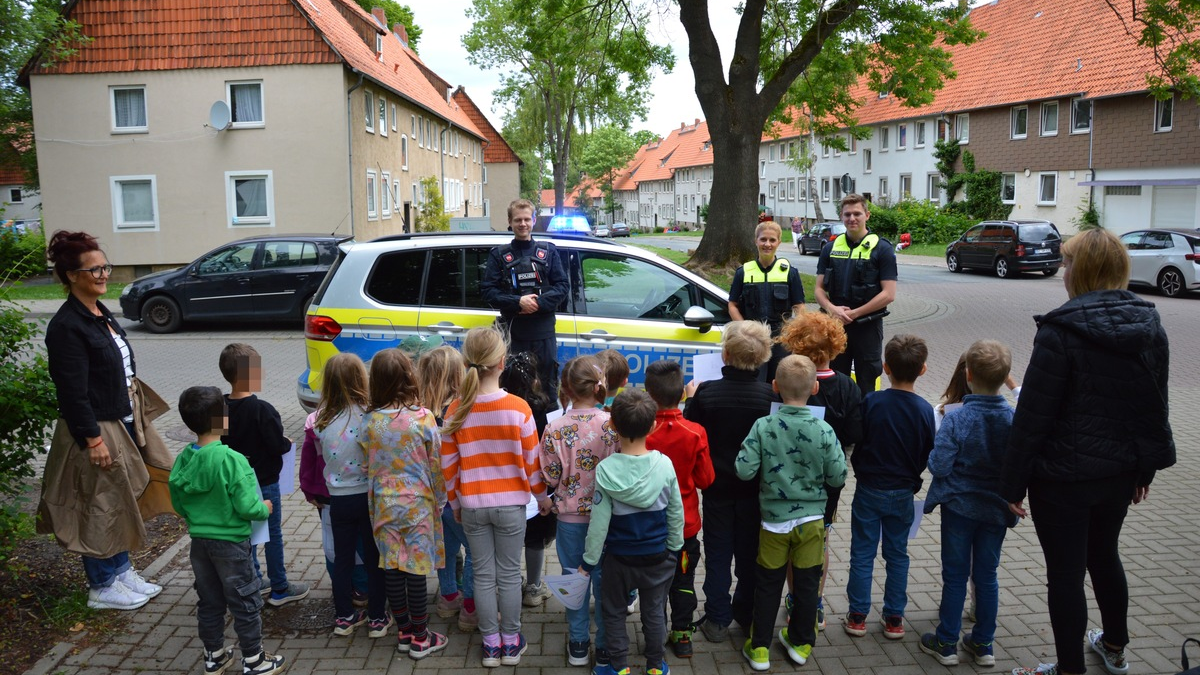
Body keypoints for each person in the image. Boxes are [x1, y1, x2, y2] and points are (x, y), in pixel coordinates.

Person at [1001, 229, 1175, 675]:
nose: (1062, 271)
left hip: (1063, 479)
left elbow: (1033, 418)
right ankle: (1115, 646)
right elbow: (1154, 406)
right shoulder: (1150, 325)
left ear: (1082, 271)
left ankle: (1070, 668)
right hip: (1118, 473)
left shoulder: (1059, 331)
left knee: (1065, 572)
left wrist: (1012, 485)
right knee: (1104, 555)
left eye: (1066, 263)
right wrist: (1144, 470)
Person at [40, 230, 171, 611]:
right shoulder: (67, 326)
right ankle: (101, 585)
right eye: (93, 269)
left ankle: (121, 570)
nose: (102, 274)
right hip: (96, 428)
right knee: (99, 504)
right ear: (71, 276)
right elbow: (72, 391)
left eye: (104, 267)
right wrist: (92, 439)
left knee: (122, 500)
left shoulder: (100, 311)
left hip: (122, 419)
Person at [440, 327, 552, 668]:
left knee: (484, 576)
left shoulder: (455, 410)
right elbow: (533, 464)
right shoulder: (519, 409)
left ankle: (490, 644)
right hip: (511, 507)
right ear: (501, 362)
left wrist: (456, 505)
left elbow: (449, 467)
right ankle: (511, 640)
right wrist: (542, 497)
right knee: (507, 574)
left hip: (473, 504)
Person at [736, 355, 847, 671]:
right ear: (814, 387)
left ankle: (759, 648)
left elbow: (744, 471)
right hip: (812, 521)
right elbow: (838, 476)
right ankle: (800, 643)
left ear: (774, 387)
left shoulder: (763, 426)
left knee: (768, 583)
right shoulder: (824, 430)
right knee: (807, 582)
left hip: (773, 522)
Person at [168, 386, 285, 675]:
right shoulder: (233, 460)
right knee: (245, 601)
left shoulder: (184, 458)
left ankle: (214, 656)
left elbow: (178, 501)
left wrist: (197, 517)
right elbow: (248, 507)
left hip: (200, 544)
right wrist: (265, 509)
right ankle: (255, 660)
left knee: (210, 601)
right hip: (232, 545)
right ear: (223, 420)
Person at [919, 340, 1018, 668]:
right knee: (987, 575)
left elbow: (939, 466)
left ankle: (946, 642)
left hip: (960, 508)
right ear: (1006, 377)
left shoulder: (956, 418)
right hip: (995, 509)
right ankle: (983, 643)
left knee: (955, 574)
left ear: (968, 374)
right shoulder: (1013, 418)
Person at [682, 321, 777, 642]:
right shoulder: (769, 398)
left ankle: (718, 618)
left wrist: (691, 399)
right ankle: (746, 614)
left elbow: (691, 434)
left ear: (724, 355)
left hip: (716, 489)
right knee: (750, 555)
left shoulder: (707, 393)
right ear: (764, 357)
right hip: (755, 493)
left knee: (718, 554)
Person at [580, 389, 683, 675]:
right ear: (653, 426)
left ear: (613, 426)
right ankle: (654, 666)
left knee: (612, 613)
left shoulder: (605, 470)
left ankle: (619, 667)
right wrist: (674, 547)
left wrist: (589, 561)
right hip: (657, 557)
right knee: (654, 612)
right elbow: (676, 512)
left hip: (619, 559)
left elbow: (598, 523)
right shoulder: (664, 465)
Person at [843, 334, 935, 639]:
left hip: (869, 488)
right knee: (898, 554)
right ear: (922, 370)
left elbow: (858, 437)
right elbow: (926, 452)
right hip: (903, 492)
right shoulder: (924, 410)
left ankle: (858, 616)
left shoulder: (871, 401)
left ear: (884, 367)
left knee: (862, 553)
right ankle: (894, 617)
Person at [777, 310, 863, 629]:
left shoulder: (788, 379)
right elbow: (855, 433)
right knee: (820, 541)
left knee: (789, 542)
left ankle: (794, 597)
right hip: (828, 480)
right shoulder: (847, 387)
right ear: (836, 346)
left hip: (787, 476)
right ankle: (814, 603)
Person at [361, 349, 448, 659]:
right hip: (418, 503)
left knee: (392, 566)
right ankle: (422, 638)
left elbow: (364, 461)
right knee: (416, 568)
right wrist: (440, 498)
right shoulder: (422, 418)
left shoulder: (369, 421)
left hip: (383, 504)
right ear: (409, 377)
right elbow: (435, 462)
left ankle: (404, 632)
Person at [540, 355, 620, 668]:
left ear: (566, 389)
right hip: (606, 519)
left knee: (573, 577)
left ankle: (577, 642)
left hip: (570, 518)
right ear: (599, 386)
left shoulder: (554, 428)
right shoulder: (612, 425)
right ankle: (603, 644)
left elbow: (549, 475)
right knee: (602, 580)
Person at [218, 343, 309, 606]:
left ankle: (254, 582)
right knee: (272, 536)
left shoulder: (219, 407)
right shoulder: (263, 410)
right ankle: (280, 587)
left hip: (235, 485)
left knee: (247, 536)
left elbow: (218, 443)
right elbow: (275, 445)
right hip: (265, 484)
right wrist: (286, 443)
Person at [313, 353, 388, 637]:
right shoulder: (372, 417)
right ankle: (378, 618)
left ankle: (344, 616)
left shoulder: (319, 420)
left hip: (337, 499)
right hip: (368, 498)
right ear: (361, 379)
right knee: (373, 559)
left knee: (342, 560)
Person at [644, 359, 713, 659]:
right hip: (685, 526)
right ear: (683, 394)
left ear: (648, 393)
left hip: (650, 528)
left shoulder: (642, 432)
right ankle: (683, 635)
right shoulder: (695, 432)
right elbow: (706, 479)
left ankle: (654, 635)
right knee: (684, 581)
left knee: (654, 584)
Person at [482, 198, 570, 399]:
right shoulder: (498, 255)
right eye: (518, 220)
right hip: (513, 335)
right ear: (510, 221)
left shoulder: (549, 252)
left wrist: (537, 304)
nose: (523, 224)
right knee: (513, 389)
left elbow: (563, 286)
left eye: (527, 219)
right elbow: (488, 292)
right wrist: (517, 302)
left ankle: (544, 429)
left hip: (543, 335)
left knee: (546, 389)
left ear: (533, 220)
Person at [416, 346, 477, 632]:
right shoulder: (460, 412)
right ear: (458, 376)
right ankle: (471, 606)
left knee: (447, 550)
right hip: (457, 497)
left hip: (431, 499)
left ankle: (449, 597)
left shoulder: (419, 414)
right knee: (476, 550)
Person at [814, 193, 898, 399]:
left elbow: (889, 294)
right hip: (835, 326)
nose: (852, 218)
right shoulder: (831, 248)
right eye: (847, 214)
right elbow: (818, 289)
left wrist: (855, 313)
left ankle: (867, 425)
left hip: (867, 326)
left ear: (867, 215)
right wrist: (833, 310)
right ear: (841, 217)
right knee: (835, 380)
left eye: (857, 214)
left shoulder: (882, 249)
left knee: (867, 380)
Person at [499, 351, 557, 609]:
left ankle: (506, 584)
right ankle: (533, 587)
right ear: (535, 381)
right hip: (536, 488)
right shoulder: (546, 410)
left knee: (505, 544)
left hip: (505, 486)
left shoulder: (499, 408)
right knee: (535, 540)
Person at [727, 220, 806, 381]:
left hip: (781, 338)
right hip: (753, 338)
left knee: (779, 382)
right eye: (763, 239)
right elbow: (732, 305)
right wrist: (744, 329)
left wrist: (795, 333)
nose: (767, 244)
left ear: (779, 242)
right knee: (754, 381)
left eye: (772, 240)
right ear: (756, 241)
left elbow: (799, 306)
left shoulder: (790, 273)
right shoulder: (743, 272)